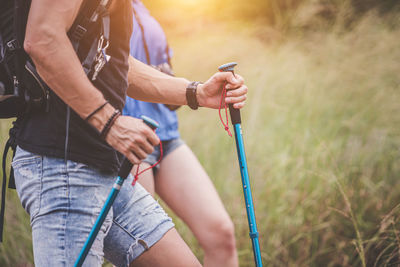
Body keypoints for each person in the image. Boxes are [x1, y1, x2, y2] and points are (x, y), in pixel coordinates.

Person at [12, 0, 247, 266]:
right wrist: (109, 122)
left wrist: (195, 92)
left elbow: (115, 62)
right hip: (66, 168)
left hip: (102, 163)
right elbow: (43, 38)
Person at [123, 1, 238, 266]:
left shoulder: (142, 8)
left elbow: (164, 67)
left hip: (167, 133)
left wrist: (194, 90)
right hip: (129, 137)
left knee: (222, 235)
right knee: (144, 250)